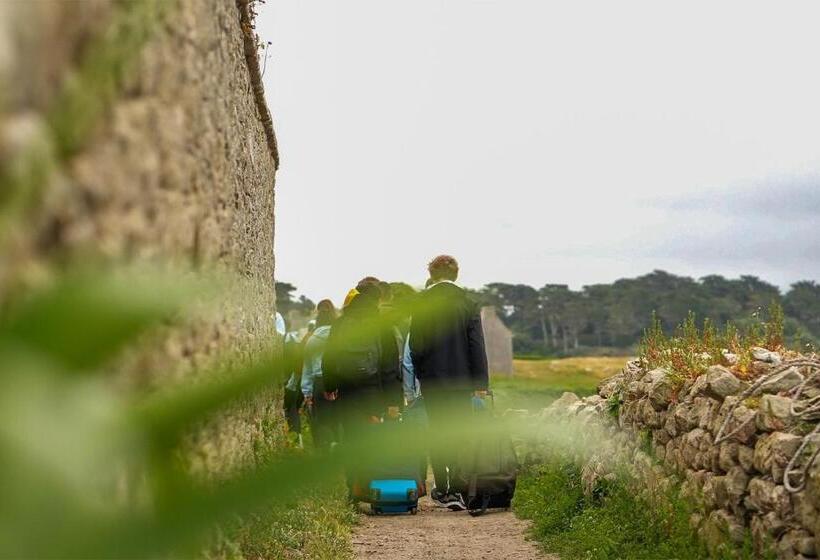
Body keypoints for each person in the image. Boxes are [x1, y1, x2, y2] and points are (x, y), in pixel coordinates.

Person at [410, 255, 489, 510]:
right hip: (462, 381)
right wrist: (480, 382)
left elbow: (416, 346)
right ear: (456, 275)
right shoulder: (467, 302)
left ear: (432, 275)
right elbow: (476, 345)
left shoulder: (422, 302)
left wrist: (422, 373)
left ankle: (444, 490)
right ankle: (461, 485)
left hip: (433, 380)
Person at [322, 277, 403, 497]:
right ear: (377, 300)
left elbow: (329, 356)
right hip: (373, 393)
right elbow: (390, 367)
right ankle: (370, 486)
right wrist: (394, 400)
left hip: (347, 391)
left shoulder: (340, 323)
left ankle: (353, 487)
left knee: (350, 438)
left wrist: (330, 386)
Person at [301, 299, 338, 449]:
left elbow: (307, 368)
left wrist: (307, 392)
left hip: (319, 383)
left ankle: (324, 450)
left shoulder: (312, 340)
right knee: (339, 418)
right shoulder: (339, 334)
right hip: (338, 380)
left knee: (321, 421)